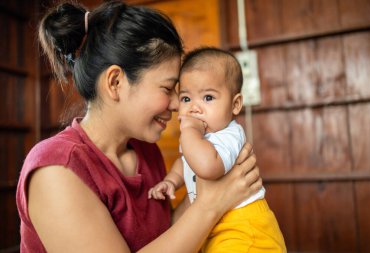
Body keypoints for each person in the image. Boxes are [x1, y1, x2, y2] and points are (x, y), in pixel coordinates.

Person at [15, 1, 263, 253]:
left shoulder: (147, 151)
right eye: (168, 89)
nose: (178, 104)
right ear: (115, 82)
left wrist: (212, 181)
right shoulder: (56, 168)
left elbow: (171, 236)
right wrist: (210, 205)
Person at [148, 47, 286, 253]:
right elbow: (185, 161)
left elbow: (207, 166)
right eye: (186, 99)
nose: (194, 108)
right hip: (215, 226)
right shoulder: (196, 138)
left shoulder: (229, 134)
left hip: (244, 228)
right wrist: (172, 181)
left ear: (235, 104)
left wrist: (189, 132)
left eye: (208, 98)